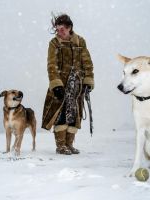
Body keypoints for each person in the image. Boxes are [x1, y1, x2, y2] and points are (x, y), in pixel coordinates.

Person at [42, 14, 94, 155]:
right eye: (57, 29)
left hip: (77, 85)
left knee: (74, 114)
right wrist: (56, 84)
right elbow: (51, 65)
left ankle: (69, 144)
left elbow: (87, 63)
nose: (59, 32)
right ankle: (61, 146)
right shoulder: (54, 43)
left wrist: (88, 80)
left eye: (62, 29)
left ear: (69, 28)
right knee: (61, 114)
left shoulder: (80, 41)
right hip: (61, 85)